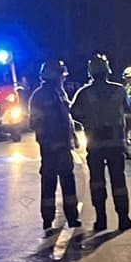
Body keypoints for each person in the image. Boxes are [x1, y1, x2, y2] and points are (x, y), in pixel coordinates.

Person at [71, 54, 131, 231]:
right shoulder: (119, 90)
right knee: (119, 182)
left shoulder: (84, 93)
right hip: (116, 144)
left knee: (97, 182)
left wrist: (88, 121)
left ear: (91, 73)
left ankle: (101, 220)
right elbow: (129, 108)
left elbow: (74, 112)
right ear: (107, 71)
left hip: (96, 144)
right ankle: (123, 219)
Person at [28, 60, 81, 233]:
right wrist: (48, 141)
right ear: (54, 76)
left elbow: (67, 118)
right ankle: (48, 219)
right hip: (50, 148)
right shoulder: (39, 96)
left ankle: (72, 217)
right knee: (50, 182)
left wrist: (72, 136)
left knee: (67, 182)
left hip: (63, 146)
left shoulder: (60, 93)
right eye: (61, 76)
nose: (63, 79)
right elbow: (34, 123)